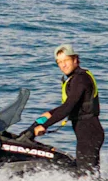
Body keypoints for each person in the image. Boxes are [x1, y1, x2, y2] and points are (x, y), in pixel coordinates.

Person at [31, 43, 103, 173]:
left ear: (75, 59)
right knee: (87, 173)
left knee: (86, 174)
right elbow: (71, 104)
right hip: (88, 131)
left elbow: (68, 107)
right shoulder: (75, 78)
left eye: (66, 60)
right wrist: (50, 113)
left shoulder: (80, 79)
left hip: (89, 131)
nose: (63, 65)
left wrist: (45, 125)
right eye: (59, 62)